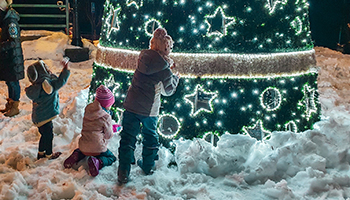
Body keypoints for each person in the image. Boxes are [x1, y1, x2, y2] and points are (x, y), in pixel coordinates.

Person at [117, 27, 180, 184]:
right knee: (150, 137)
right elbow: (168, 91)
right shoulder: (165, 69)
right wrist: (175, 78)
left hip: (131, 104)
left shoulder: (142, 57)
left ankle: (123, 170)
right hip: (149, 109)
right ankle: (148, 165)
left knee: (127, 137)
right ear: (165, 47)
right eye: (170, 47)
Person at [63, 85, 119, 177]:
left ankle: (77, 155)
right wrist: (113, 129)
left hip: (83, 145)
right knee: (111, 157)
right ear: (107, 105)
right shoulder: (106, 116)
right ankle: (98, 162)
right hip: (98, 148)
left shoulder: (88, 110)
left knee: (82, 149)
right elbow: (108, 135)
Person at [25, 59, 70, 160]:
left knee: (44, 135)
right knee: (49, 136)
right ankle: (49, 154)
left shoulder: (35, 87)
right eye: (45, 68)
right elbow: (61, 81)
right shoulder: (48, 85)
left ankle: (41, 153)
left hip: (38, 118)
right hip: (46, 117)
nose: (48, 69)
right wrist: (65, 69)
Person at [0, 0, 24, 117]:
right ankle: (10, 104)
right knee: (9, 81)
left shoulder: (11, 22)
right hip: (8, 57)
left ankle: (15, 106)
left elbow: (13, 42)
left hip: (13, 57)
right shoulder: (5, 21)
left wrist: (1, 46)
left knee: (14, 82)